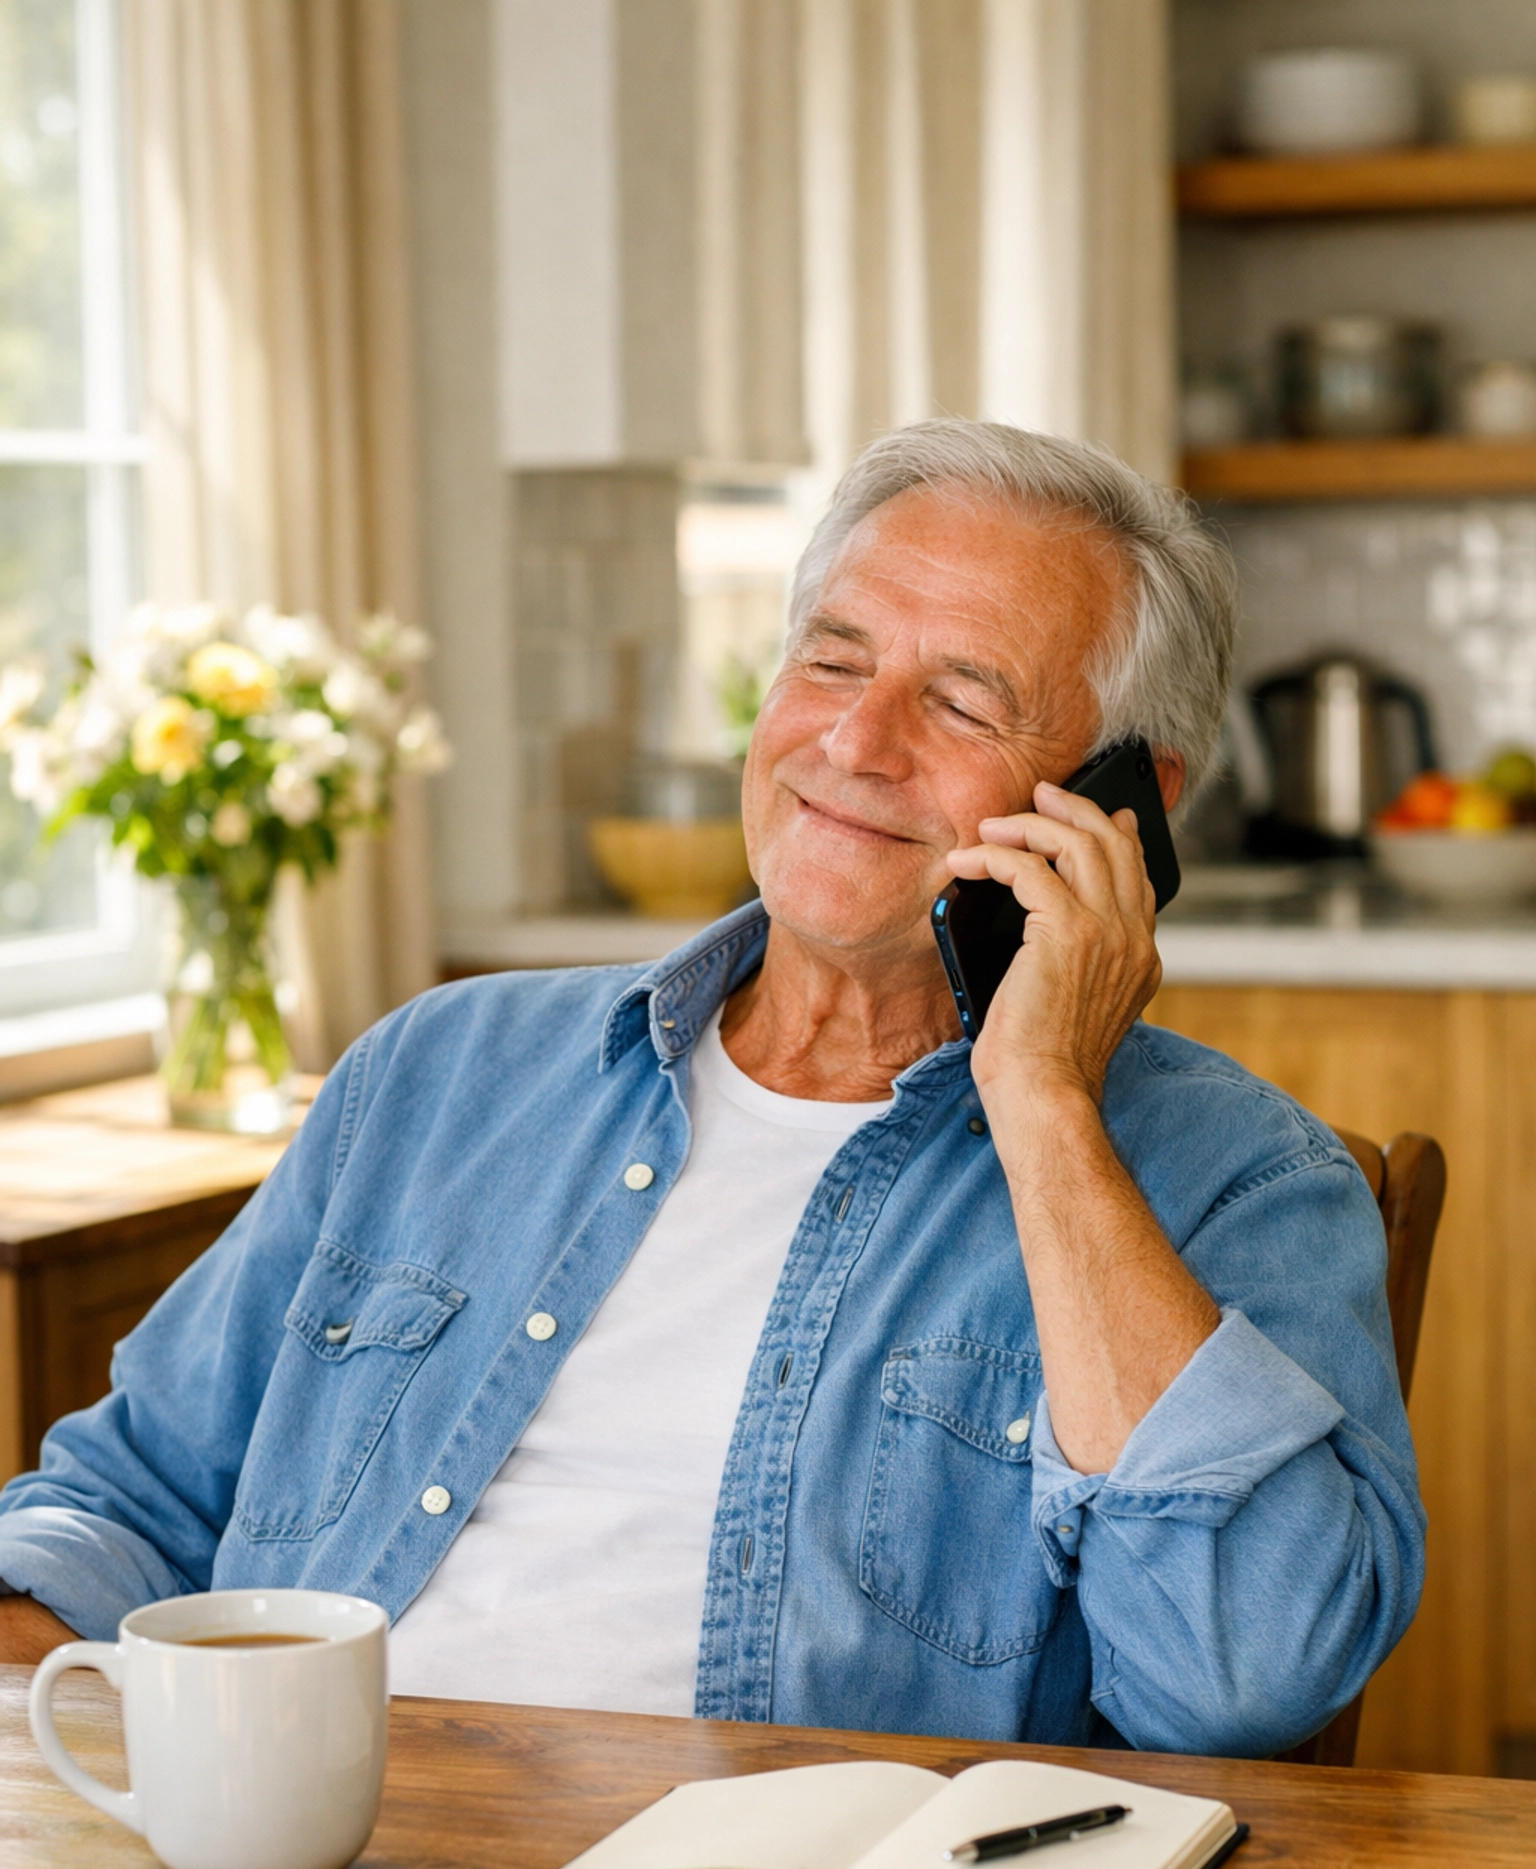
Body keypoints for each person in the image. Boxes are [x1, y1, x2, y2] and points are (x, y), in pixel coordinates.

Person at [0, 420, 1424, 1755]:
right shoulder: (437, 1074)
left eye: (961, 700)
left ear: (1126, 805)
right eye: (832, 661)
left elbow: (1244, 1678)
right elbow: (128, 1504)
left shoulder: (1238, 1181)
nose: (855, 745)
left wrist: (1044, 1100)